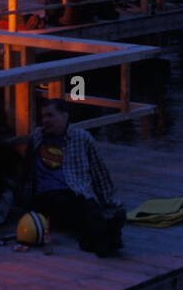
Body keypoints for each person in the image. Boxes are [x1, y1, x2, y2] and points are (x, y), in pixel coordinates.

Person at [22, 99, 125, 257]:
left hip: (77, 191)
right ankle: (108, 235)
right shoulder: (37, 137)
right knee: (76, 207)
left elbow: (99, 171)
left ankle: (99, 242)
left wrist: (108, 198)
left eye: (50, 115)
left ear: (65, 116)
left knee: (89, 207)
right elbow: (25, 170)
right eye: (43, 117)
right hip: (47, 195)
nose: (45, 121)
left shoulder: (82, 138)